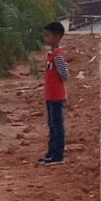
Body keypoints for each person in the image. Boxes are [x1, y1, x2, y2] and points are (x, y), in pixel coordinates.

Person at [40, 19, 70, 164]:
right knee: (52, 125)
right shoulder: (51, 55)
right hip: (50, 96)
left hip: (57, 96)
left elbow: (65, 75)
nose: (46, 38)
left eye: (48, 36)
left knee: (57, 126)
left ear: (57, 37)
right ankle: (51, 152)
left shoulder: (58, 56)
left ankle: (58, 155)